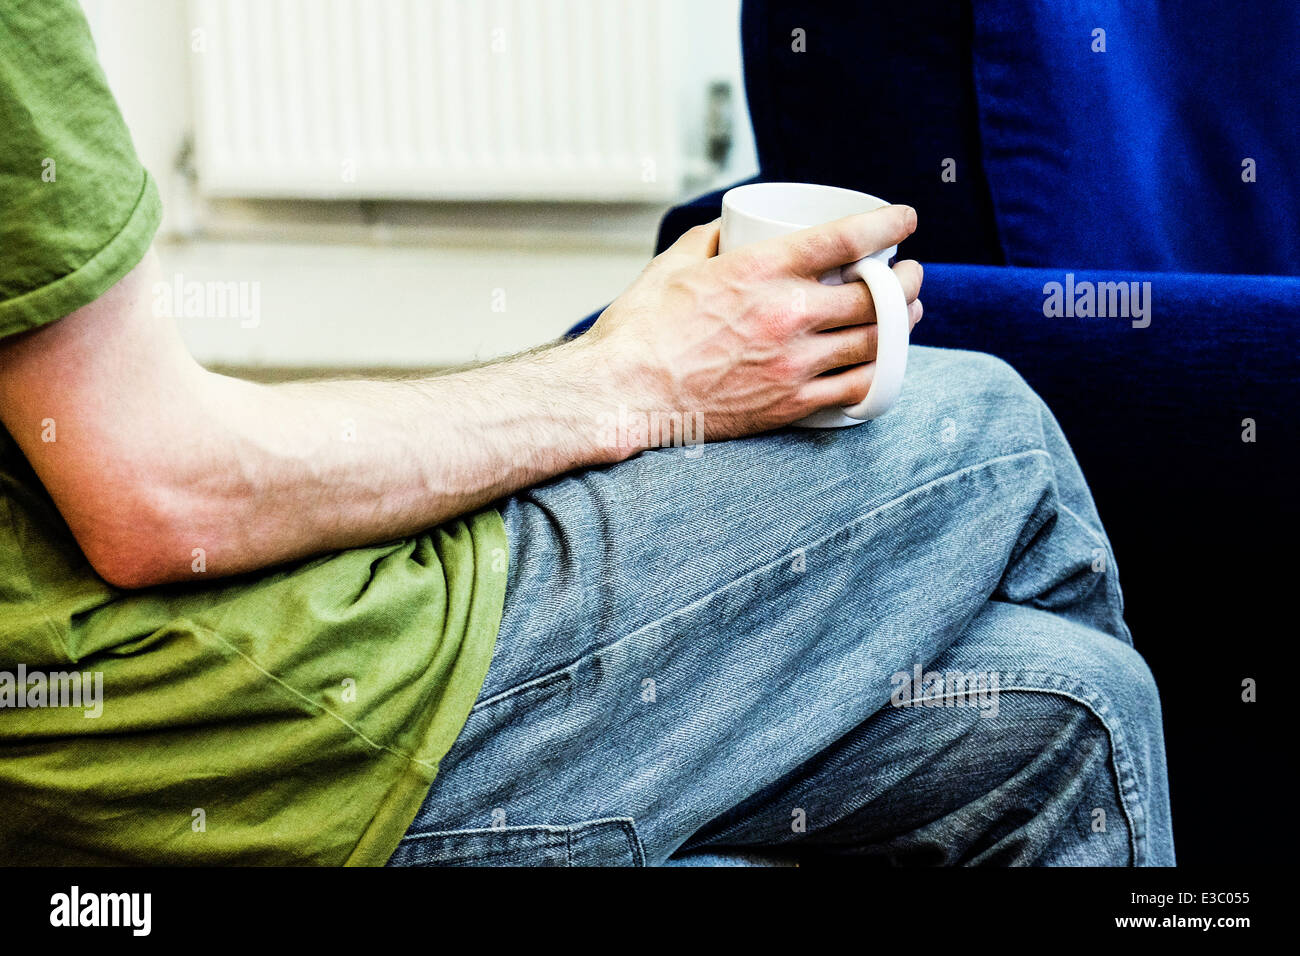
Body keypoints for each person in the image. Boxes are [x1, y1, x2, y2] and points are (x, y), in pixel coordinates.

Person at [0, 1, 1172, 866]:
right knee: (984, 428)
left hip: (123, 709)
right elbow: (162, 493)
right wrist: (622, 374)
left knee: (1069, 706)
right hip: (212, 726)